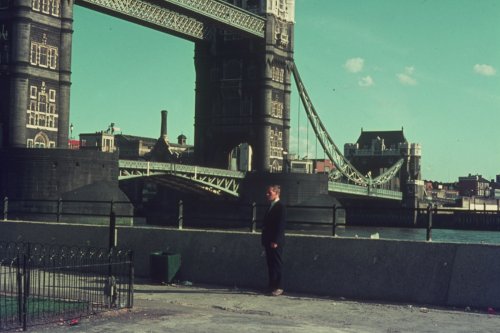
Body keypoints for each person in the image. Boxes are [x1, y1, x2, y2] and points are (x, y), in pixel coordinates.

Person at [261, 184, 286, 296]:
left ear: (276, 193)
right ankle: (271, 286)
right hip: (268, 240)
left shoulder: (280, 207)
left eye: (269, 193)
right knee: (270, 264)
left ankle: (279, 287)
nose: (267, 195)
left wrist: (276, 240)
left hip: (275, 242)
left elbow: (280, 225)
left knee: (276, 264)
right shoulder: (271, 205)